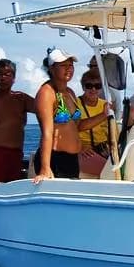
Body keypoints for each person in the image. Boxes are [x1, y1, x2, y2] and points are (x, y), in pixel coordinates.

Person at [33, 47, 98, 182]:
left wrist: (103, 115)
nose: (69, 69)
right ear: (51, 68)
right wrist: (45, 168)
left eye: (71, 65)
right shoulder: (47, 93)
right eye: (63, 65)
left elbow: (78, 126)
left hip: (72, 160)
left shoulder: (70, 92)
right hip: (55, 160)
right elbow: (47, 132)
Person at [76, 70, 114, 177]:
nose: (93, 89)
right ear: (83, 87)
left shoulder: (105, 105)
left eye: (97, 86)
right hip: (83, 149)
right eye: (89, 86)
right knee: (109, 174)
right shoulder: (75, 104)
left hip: (103, 149)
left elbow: (111, 132)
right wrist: (80, 147)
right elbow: (78, 126)